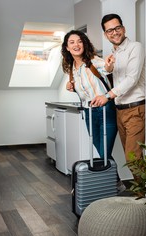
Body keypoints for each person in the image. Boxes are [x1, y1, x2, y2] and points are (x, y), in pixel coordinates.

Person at [92, 13, 146, 165]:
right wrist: (109, 69)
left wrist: (107, 96)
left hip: (135, 109)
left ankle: (145, 190)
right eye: (110, 30)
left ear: (123, 28)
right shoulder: (114, 53)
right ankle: (142, 189)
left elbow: (132, 79)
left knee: (133, 159)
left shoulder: (135, 47)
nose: (114, 32)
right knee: (131, 159)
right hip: (120, 111)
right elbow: (117, 79)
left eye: (117, 28)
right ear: (105, 34)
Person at [61, 30, 117, 161]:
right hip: (88, 112)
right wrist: (71, 87)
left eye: (80, 41)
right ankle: (115, 180)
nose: (76, 45)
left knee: (104, 153)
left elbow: (107, 68)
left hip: (105, 110)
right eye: (72, 42)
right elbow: (85, 89)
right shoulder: (71, 68)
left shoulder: (93, 61)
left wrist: (109, 65)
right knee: (101, 151)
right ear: (67, 48)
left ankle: (114, 181)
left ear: (84, 44)